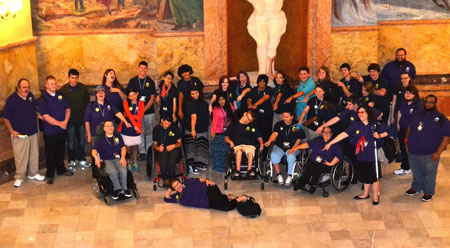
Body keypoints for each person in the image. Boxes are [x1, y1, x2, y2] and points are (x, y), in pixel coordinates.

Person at [324, 106, 390, 205]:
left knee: (373, 177)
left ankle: (376, 196)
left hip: (372, 155)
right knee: (365, 175)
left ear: (368, 113)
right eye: (359, 112)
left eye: (362, 112)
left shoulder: (375, 124)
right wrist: (331, 142)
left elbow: (388, 131)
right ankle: (365, 194)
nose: (360, 114)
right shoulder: (356, 125)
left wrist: (379, 135)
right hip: (361, 154)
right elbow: (344, 134)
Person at [404, 95, 450, 202]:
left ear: (435, 104)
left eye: (431, 102)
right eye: (426, 102)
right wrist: (407, 141)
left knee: (429, 173)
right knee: (416, 171)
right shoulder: (417, 114)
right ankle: (416, 187)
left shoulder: (441, 119)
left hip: (430, 153)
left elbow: (446, 137)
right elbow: (410, 127)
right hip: (413, 150)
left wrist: (438, 153)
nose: (428, 104)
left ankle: (429, 191)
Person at [3, 78, 45, 187]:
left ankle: (33, 173)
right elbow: (6, 118)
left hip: (32, 131)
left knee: (34, 154)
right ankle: (19, 177)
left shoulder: (30, 96)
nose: (26, 89)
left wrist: (38, 115)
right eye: (24, 87)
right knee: (21, 157)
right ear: (18, 88)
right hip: (20, 134)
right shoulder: (12, 100)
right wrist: (12, 131)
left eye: (28, 87)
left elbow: (32, 110)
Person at [38, 76, 73, 185]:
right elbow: (46, 116)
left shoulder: (61, 95)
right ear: (47, 85)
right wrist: (59, 124)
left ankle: (61, 169)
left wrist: (66, 122)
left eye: (55, 83)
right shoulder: (43, 99)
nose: (54, 85)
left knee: (61, 150)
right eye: (51, 84)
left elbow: (68, 109)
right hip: (50, 131)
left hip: (62, 130)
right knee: (50, 153)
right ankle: (50, 175)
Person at [292, 127, 342, 194]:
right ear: (322, 133)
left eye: (328, 132)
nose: (326, 134)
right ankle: (301, 183)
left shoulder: (335, 144)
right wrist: (297, 147)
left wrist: (331, 163)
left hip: (325, 163)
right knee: (308, 168)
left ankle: (312, 185)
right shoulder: (318, 140)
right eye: (325, 132)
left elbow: (339, 156)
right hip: (313, 160)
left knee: (317, 168)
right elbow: (308, 144)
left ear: (331, 134)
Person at [92, 121, 131, 200]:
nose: (110, 128)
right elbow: (94, 150)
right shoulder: (100, 139)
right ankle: (117, 189)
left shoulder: (118, 137)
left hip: (118, 158)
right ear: (104, 129)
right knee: (113, 171)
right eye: (107, 126)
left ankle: (124, 189)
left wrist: (123, 157)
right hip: (106, 160)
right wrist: (96, 157)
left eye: (111, 126)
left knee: (123, 170)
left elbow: (123, 148)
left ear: (113, 127)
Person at [60, 69, 90, 171]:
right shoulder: (63, 90)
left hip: (81, 120)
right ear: (68, 78)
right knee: (71, 142)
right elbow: (61, 105)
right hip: (70, 121)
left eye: (76, 78)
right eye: (72, 78)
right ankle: (71, 160)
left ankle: (81, 158)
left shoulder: (82, 88)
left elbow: (87, 101)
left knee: (81, 141)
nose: (74, 80)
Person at [264, 110, 305, 186]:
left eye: (287, 117)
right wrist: (269, 141)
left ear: (292, 117)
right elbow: (274, 134)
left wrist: (293, 148)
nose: (285, 118)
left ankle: (289, 175)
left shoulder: (297, 125)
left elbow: (299, 139)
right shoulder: (279, 124)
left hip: (293, 147)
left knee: (291, 156)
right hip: (280, 147)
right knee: (273, 155)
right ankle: (278, 174)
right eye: (283, 116)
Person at [127, 61, 157, 161]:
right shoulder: (133, 81)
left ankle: (149, 150)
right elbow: (129, 97)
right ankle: (142, 151)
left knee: (149, 131)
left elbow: (152, 98)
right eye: (141, 68)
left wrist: (143, 110)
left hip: (149, 112)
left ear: (147, 69)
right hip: (136, 113)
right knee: (140, 131)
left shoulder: (150, 81)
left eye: (145, 68)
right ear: (138, 69)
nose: (143, 70)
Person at [247, 0, 287, 74]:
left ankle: (270, 70)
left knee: (273, 44)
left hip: (276, 15)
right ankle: (262, 71)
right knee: (262, 43)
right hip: (261, 15)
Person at [164, 178, 249, 211]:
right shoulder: (177, 197)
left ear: (180, 182)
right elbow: (166, 198)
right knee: (224, 206)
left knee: (225, 207)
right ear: (173, 189)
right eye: (175, 187)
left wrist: (207, 180)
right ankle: (228, 197)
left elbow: (201, 179)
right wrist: (170, 189)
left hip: (208, 189)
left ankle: (240, 198)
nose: (178, 187)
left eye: (178, 184)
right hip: (207, 203)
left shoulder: (188, 182)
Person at [225, 110, 264, 177]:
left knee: (250, 152)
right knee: (239, 152)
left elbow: (259, 137)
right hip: (238, 145)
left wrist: (261, 143)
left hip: (249, 145)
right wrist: (230, 142)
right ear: (244, 113)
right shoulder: (234, 124)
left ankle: (249, 170)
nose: (247, 121)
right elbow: (226, 137)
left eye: (250, 120)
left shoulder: (252, 126)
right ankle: (238, 171)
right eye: (247, 118)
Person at [394, 85, 423, 176]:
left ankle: (417, 169)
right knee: (403, 149)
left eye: (410, 93)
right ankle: (405, 167)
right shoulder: (403, 102)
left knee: (412, 150)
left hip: (412, 132)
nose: (408, 95)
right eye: (406, 92)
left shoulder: (418, 104)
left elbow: (421, 118)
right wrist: (398, 123)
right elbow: (400, 112)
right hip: (402, 129)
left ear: (415, 95)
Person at [117, 89, 144, 171]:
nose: (132, 97)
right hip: (127, 125)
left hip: (137, 126)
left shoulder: (141, 103)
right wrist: (134, 122)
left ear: (137, 94)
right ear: (128, 96)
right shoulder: (126, 103)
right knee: (127, 146)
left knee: (135, 145)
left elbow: (140, 116)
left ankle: (135, 161)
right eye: (130, 96)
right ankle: (128, 161)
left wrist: (135, 123)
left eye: (134, 95)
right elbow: (128, 115)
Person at [184, 87, 209, 173]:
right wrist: (193, 129)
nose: (195, 95)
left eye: (196, 93)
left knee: (201, 146)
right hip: (193, 128)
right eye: (193, 94)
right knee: (192, 146)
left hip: (202, 128)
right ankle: (191, 165)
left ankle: (200, 163)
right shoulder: (189, 103)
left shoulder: (203, 103)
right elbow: (193, 116)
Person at [152, 115, 182, 181]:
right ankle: (165, 179)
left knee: (172, 160)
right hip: (162, 148)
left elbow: (180, 143)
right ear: (162, 120)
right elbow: (154, 144)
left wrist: (174, 145)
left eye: (169, 124)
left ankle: (172, 179)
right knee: (163, 160)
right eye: (165, 124)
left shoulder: (175, 128)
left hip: (173, 147)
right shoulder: (156, 129)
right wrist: (158, 148)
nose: (167, 126)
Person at [211, 95, 235, 172]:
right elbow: (214, 121)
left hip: (228, 132)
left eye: (222, 99)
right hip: (218, 132)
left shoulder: (230, 105)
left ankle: (227, 168)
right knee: (218, 152)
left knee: (226, 151)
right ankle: (219, 168)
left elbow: (233, 117)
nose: (221, 102)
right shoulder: (216, 109)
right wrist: (213, 133)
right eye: (219, 100)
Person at [268, 57, 295, 126]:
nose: (277, 79)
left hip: (282, 113)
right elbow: (270, 75)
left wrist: (275, 104)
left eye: (280, 78)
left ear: (283, 79)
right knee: (275, 127)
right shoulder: (278, 84)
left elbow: (280, 95)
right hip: (277, 111)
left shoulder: (285, 86)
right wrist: (271, 62)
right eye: (277, 77)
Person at [247, 74, 273, 142]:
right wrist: (250, 104)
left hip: (266, 114)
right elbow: (249, 99)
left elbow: (265, 98)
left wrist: (255, 104)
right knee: (256, 131)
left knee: (266, 132)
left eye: (263, 81)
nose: (261, 83)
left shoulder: (269, 89)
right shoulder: (254, 89)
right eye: (260, 81)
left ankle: (265, 149)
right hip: (256, 115)